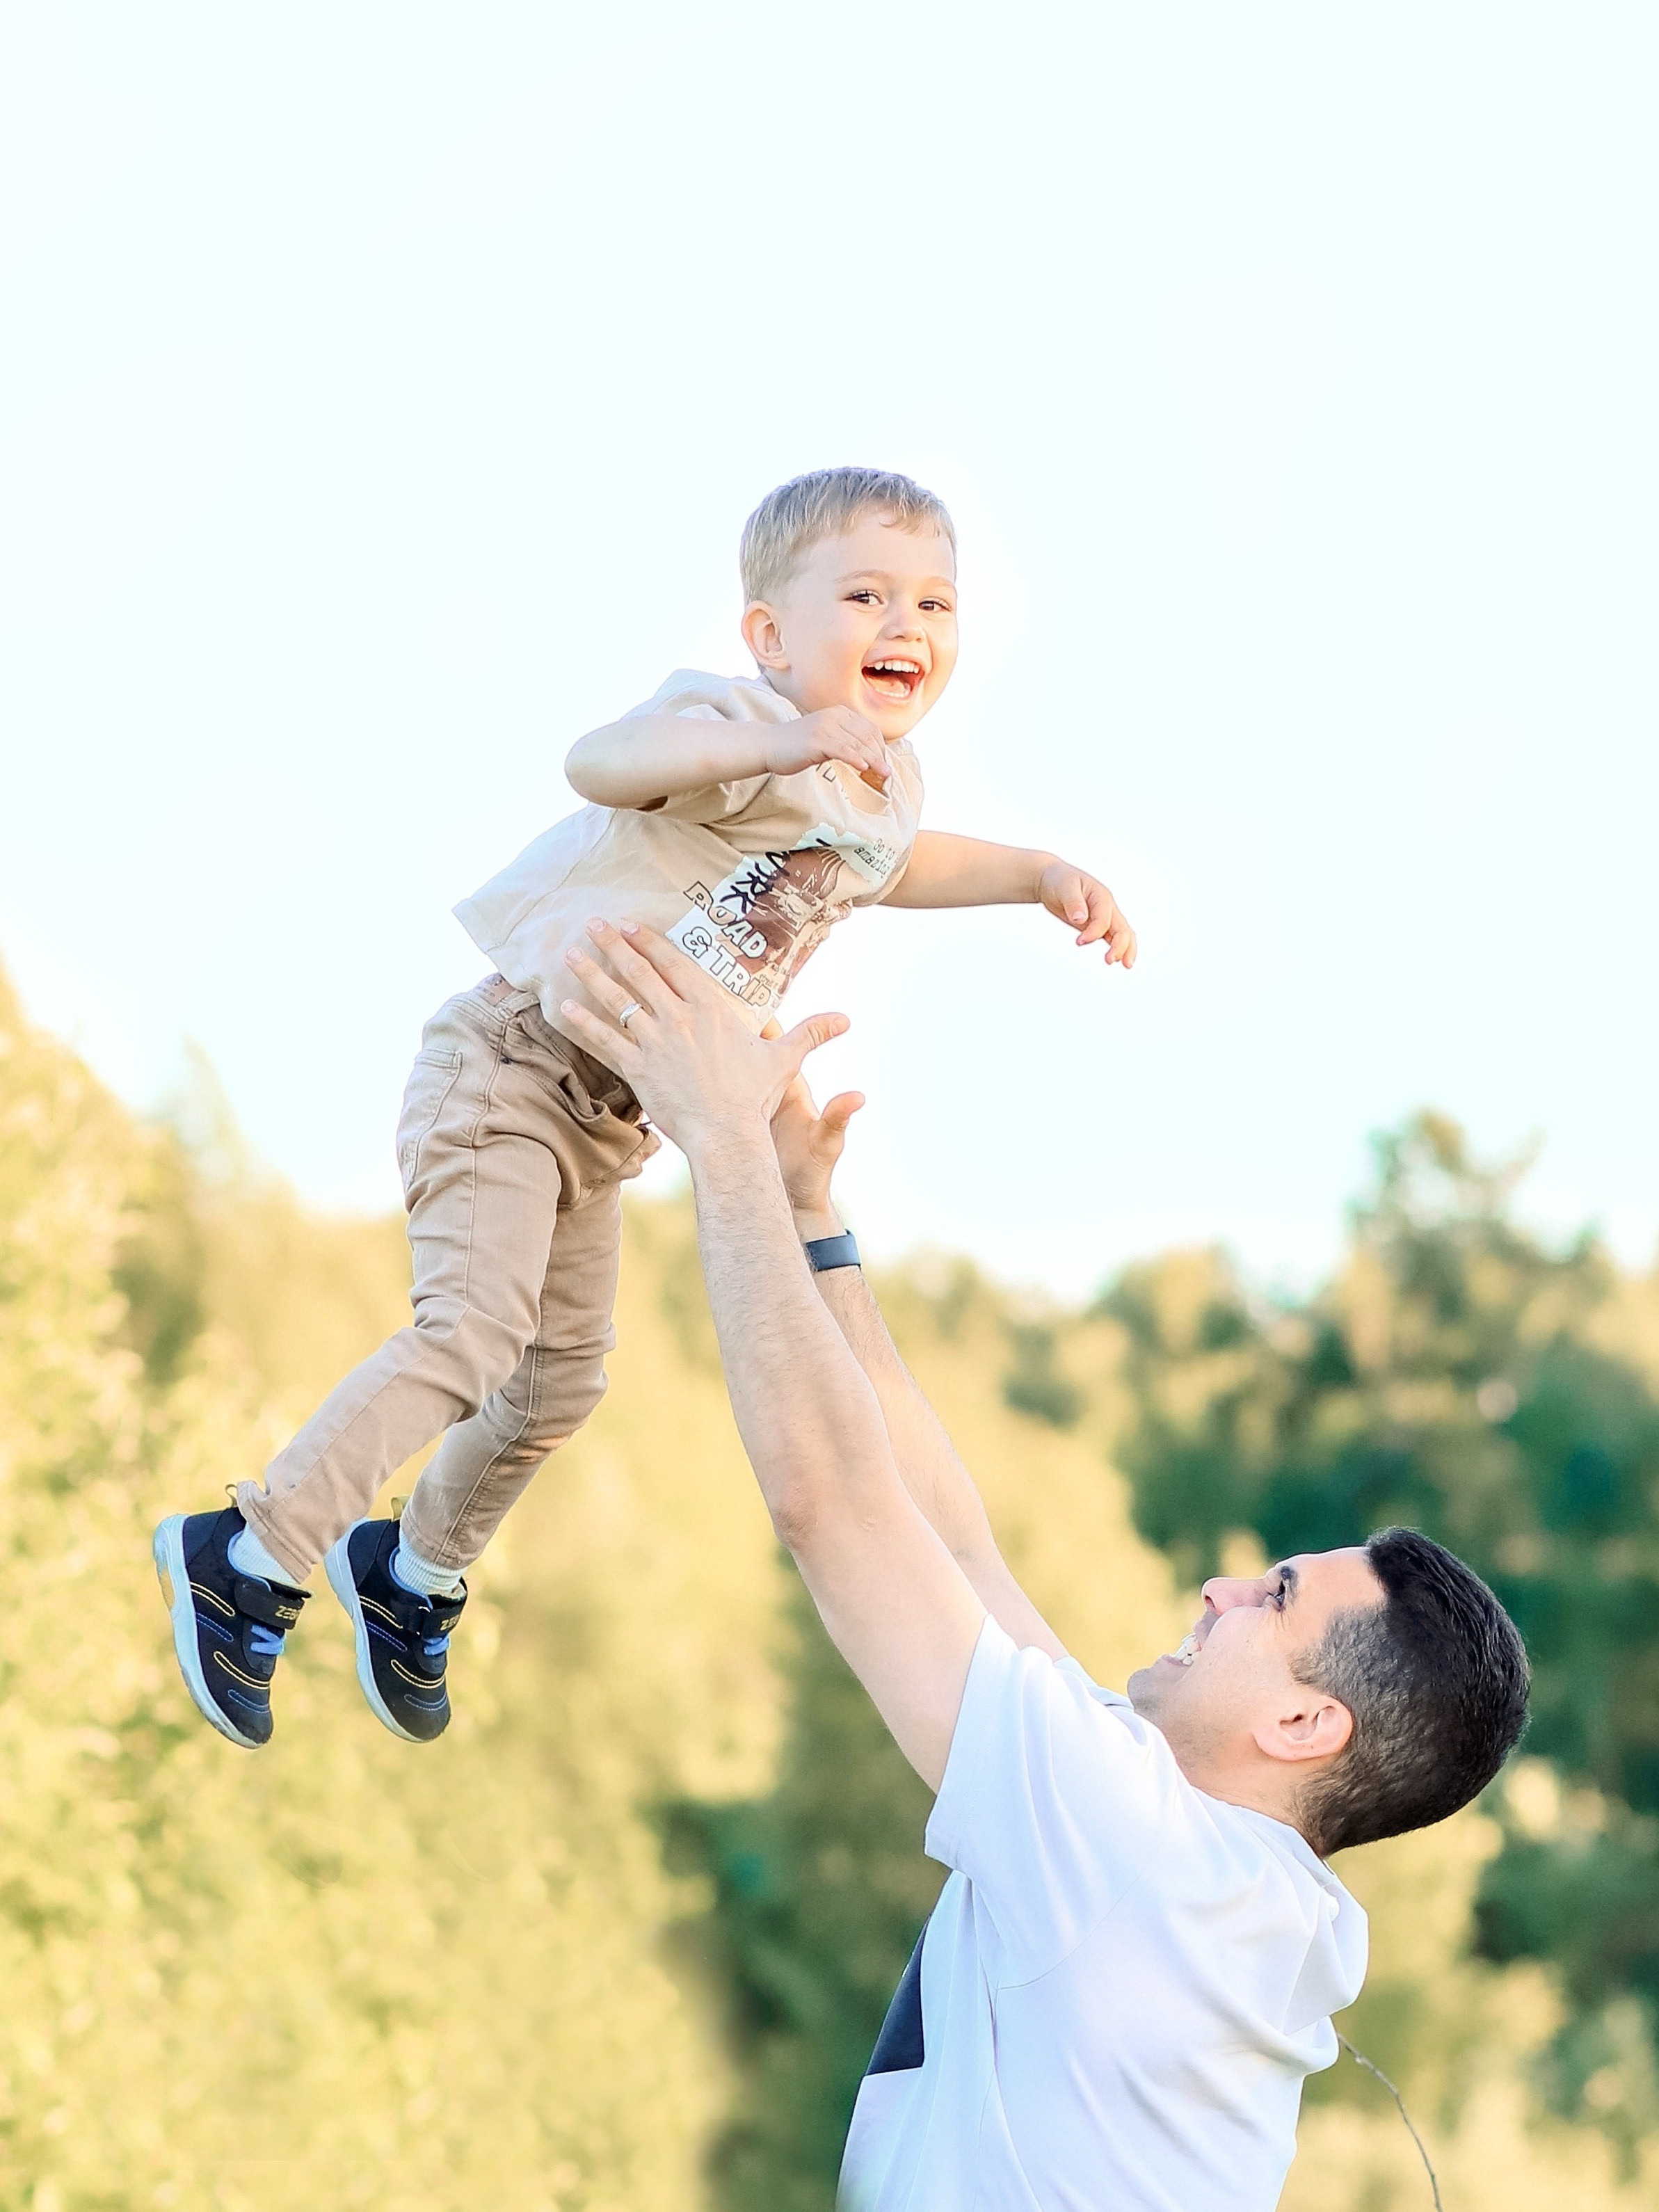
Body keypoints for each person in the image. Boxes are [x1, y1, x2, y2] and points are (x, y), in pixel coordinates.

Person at [152, 465, 1138, 1751]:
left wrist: (1040, 875)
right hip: (511, 1064)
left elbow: (903, 866)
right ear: (769, 632)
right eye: (865, 596)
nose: (906, 624)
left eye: (935, 604)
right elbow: (601, 764)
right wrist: (775, 742)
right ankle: (249, 1549)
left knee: (560, 1381)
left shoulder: (882, 787)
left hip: (612, 1119)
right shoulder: (738, 721)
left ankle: (411, 1571)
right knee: (472, 1333)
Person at [554, 918, 1531, 2212]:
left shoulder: (1132, 1850)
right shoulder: (1212, 1881)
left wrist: (720, 1137)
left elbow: (830, 1506)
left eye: (1275, 1598)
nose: (1221, 1590)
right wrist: (807, 1219)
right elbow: (953, 1544)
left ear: (1304, 1724)